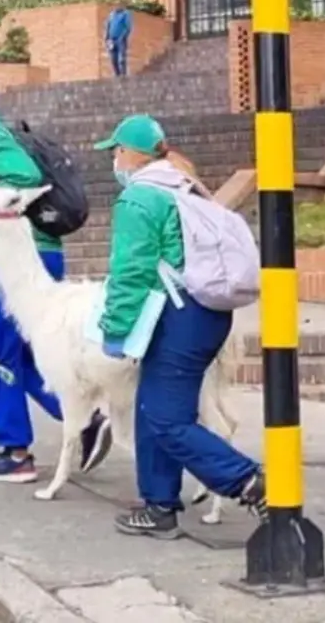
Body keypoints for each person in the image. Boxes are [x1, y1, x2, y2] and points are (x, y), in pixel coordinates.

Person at [94, 114, 267, 538]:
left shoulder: (141, 199)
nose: (113, 159)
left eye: (116, 150)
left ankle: (248, 480)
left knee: (167, 418)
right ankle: (159, 505)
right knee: (152, 409)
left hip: (179, 316)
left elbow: (130, 272)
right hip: (206, 314)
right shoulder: (184, 187)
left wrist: (114, 330)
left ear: (131, 154)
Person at [0, 72, 113, 484]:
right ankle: (85, 418)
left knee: (0, 353)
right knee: (33, 354)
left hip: (18, 261)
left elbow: (23, 179)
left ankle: (15, 452)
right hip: (42, 252)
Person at [105, 3, 133, 77]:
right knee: (113, 59)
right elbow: (108, 26)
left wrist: (122, 37)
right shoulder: (111, 15)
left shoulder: (125, 14)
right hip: (112, 40)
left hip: (120, 40)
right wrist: (107, 38)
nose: (116, 6)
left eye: (118, 5)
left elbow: (128, 27)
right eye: (115, 5)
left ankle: (123, 75)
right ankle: (117, 75)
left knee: (121, 59)